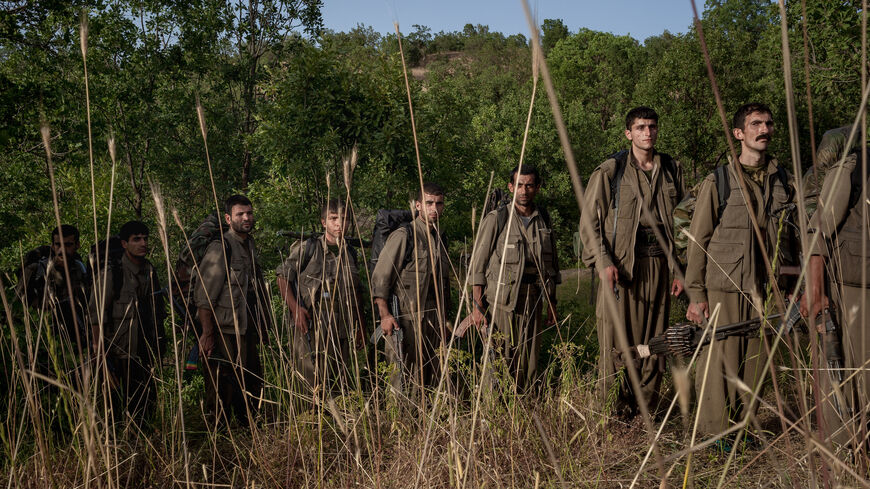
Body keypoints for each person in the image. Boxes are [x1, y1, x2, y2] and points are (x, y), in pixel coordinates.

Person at [685, 103, 798, 439]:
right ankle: (714, 435)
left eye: (768, 123)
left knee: (757, 365)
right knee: (720, 361)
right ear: (739, 134)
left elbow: (792, 237)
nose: (764, 129)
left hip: (769, 287)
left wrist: (792, 284)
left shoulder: (784, 180)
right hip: (726, 285)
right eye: (755, 124)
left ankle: (742, 430)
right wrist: (696, 294)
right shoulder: (718, 180)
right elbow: (698, 240)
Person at [580, 107, 686, 416]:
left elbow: (684, 225)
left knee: (656, 344)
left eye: (652, 127)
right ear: (629, 133)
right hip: (622, 269)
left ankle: (646, 414)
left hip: (660, 267)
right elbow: (589, 224)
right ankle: (611, 414)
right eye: (640, 128)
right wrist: (603, 261)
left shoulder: (671, 169)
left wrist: (681, 270)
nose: (647, 133)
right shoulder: (611, 171)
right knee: (616, 344)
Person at [470, 164, 560, 393]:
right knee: (500, 361)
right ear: (511, 187)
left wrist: (552, 303)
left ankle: (524, 410)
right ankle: (494, 414)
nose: (524, 190)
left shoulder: (544, 220)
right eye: (519, 185)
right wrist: (477, 307)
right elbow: (477, 267)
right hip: (502, 303)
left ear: (537, 188)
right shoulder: (497, 219)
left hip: (534, 300)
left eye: (529, 185)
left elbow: (552, 268)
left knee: (529, 361)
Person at [803, 144, 870, 450]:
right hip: (853, 286)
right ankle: (844, 458)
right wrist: (815, 292)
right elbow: (819, 230)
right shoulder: (853, 166)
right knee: (851, 373)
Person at [276, 198, 365, 399]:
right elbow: (282, 277)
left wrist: (360, 325)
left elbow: (357, 292)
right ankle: (311, 425)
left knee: (339, 381)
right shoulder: (309, 248)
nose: (340, 223)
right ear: (324, 222)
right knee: (310, 383)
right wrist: (295, 309)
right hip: (312, 326)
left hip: (341, 326)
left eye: (344, 219)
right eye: (334, 218)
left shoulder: (350, 253)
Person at [195, 195, 271, 426]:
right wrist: (207, 334)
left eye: (249, 213)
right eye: (240, 214)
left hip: (248, 328)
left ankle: (247, 432)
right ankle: (219, 440)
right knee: (221, 387)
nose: (246, 218)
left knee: (250, 383)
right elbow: (204, 298)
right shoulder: (221, 247)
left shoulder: (249, 245)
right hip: (224, 331)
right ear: (229, 218)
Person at [371, 183, 451, 397]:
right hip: (404, 319)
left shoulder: (440, 238)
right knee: (402, 378)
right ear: (418, 206)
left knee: (431, 377)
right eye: (429, 203)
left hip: (432, 320)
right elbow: (381, 277)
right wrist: (385, 314)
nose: (434, 208)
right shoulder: (404, 235)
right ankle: (400, 427)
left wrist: (445, 319)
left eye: (439, 203)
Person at [88, 220, 166, 423]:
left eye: (145, 239)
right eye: (136, 239)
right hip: (119, 354)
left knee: (145, 409)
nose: (143, 243)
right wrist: (99, 350)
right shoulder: (113, 273)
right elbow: (96, 313)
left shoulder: (150, 271)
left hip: (145, 352)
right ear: (124, 244)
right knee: (115, 413)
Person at [18, 224, 89, 354]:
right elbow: (18, 307)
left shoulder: (80, 269)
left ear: (77, 245)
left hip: (75, 341)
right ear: (52, 246)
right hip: (43, 340)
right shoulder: (36, 270)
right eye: (58, 245)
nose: (62, 250)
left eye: (68, 245)